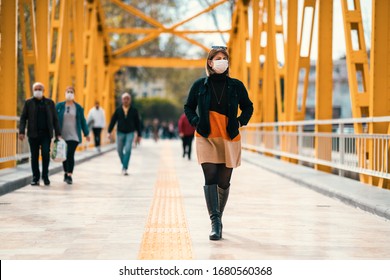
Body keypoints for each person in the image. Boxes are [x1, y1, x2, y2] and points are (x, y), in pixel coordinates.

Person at [184, 46, 253, 240]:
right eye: (218, 58)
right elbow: (188, 107)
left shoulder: (236, 86)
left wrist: (240, 121)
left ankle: (218, 218)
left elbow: (248, 107)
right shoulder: (200, 85)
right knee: (211, 177)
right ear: (210, 62)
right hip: (206, 136)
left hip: (228, 137)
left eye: (225, 58)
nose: (222, 61)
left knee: (224, 181)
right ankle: (215, 223)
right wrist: (196, 122)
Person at [19, 82, 61, 186]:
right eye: (36, 89)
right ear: (33, 91)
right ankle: (35, 178)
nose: (38, 91)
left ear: (43, 91)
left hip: (46, 135)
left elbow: (55, 119)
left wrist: (58, 133)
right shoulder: (28, 102)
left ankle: (45, 176)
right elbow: (23, 117)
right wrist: (21, 131)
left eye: (39, 89)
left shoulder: (50, 103)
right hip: (33, 134)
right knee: (34, 156)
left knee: (46, 155)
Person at [56, 86, 90, 184]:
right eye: (68, 91)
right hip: (62, 135)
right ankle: (66, 172)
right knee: (64, 155)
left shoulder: (78, 107)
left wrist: (86, 133)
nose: (69, 93)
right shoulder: (59, 106)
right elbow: (54, 120)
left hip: (74, 136)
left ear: (74, 94)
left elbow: (83, 121)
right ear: (65, 93)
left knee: (70, 154)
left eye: (71, 92)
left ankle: (69, 175)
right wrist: (55, 133)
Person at [108, 92, 141, 175]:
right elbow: (113, 121)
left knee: (128, 149)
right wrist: (109, 131)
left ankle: (124, 168)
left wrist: (139, 135)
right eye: (124, 99)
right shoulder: (118, 110)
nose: (126, 100)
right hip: (120, 133)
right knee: (119, 150)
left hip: (130, 133)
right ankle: (124, 164)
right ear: (122, 100)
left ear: (130, 100)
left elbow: (138, 123)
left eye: (127, 99)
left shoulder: (134, 110)